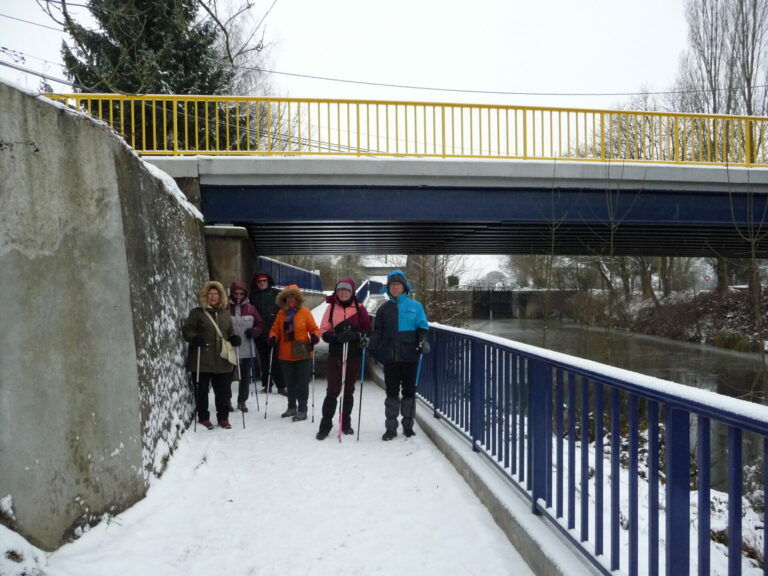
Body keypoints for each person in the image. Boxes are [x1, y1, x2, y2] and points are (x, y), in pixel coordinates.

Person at [369, 270, 429, 441]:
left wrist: (423, 340)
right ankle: (391, 428)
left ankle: (408, 427)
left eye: (398, 285)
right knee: (392, 393)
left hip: (410, 357)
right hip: (390, 358)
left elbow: (423, 327)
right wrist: (370, 344)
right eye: (392, 285)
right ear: (389, 289)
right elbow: (378, 332)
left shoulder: (415, 306)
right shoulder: (383, 309)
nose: (395, 287)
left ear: (404, 287)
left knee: (409, 392)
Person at [316, 278, 372, 440]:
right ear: (337, 292)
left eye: (346, 290)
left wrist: (357, 335)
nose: (343, 292)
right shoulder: (331, 308)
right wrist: (334, 336)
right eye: (340, 290)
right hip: (336, 354)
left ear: (352, 292)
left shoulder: (360, 309)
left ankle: (345, 423)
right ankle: (325, 424)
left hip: (353, 354)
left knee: (348, 390)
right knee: (333, 390)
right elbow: (323, 330)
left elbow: (368, 329)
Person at [182, 281, 241, 430]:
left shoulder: (225, 313)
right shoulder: (197, 313)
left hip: (222, 359)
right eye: (210, 294)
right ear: (205, 296)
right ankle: (204, 417)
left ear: (220, 296)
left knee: (223, 391)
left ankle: (223, 418)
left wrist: (234, 338)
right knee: (201, 391)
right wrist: (194, 338)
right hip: (202, 359)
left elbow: (230, 331)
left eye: (216, 294)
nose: (213, 297)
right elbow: (187, 330)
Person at [268, 284, 320, 422]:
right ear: (283, 300)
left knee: (302, 383)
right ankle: (291, 407)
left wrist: (314, 336)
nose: (290, 301)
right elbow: (275, 330)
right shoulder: (281, 314)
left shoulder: (305, 312)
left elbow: (314, 328)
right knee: (289, 382)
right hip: (285, 352)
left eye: (293, 298)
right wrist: (273, 337)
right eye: (287, 299)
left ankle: (302, 409)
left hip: (302, 349)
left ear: (298, 299)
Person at [228, 281, 264, 412]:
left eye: (241, 293)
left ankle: (242, 400)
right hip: (229, 347)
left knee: (245, 376)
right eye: (236, 293)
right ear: (231, 294)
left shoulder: (251, 308)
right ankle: (227, 400)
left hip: (247, 346)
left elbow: (260, 324)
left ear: (245, 294)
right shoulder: (225, 307)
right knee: (227, 375)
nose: (238, 296)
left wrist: (254, 331)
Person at [250, 272, 287, 395]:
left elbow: (286, 308)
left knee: (277, 360)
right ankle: (267, 384)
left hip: (275, 332)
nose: (262, 283)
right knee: (263, 359)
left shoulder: (276, 294)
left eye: (264, 281)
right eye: (259, 281)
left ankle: (281, 386)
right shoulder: (252, 297)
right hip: (260, 333)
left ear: (268, 282)